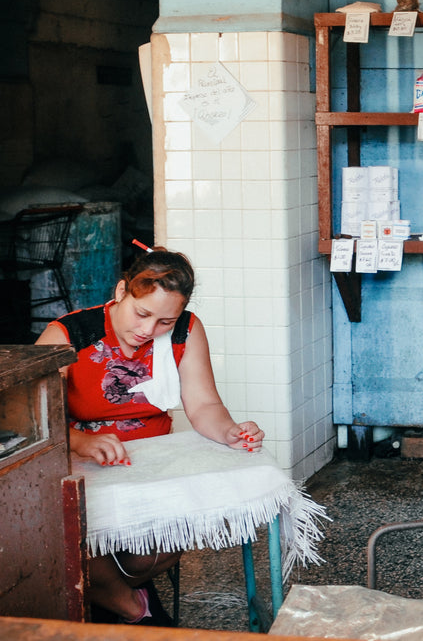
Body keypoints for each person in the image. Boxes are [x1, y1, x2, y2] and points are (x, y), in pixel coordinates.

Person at [37, 246, 263, 626]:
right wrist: (80, 441)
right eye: (142, 313)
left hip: (151, 464)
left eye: (164, 321)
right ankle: (134, 608)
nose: (148, 330)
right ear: (122, 291)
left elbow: (204, 405)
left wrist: (230, 432)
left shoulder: (186, 331)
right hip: (85, 464)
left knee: (158, 547)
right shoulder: (68, 334)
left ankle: (108, 595)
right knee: (60, 540)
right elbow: (36, 419)